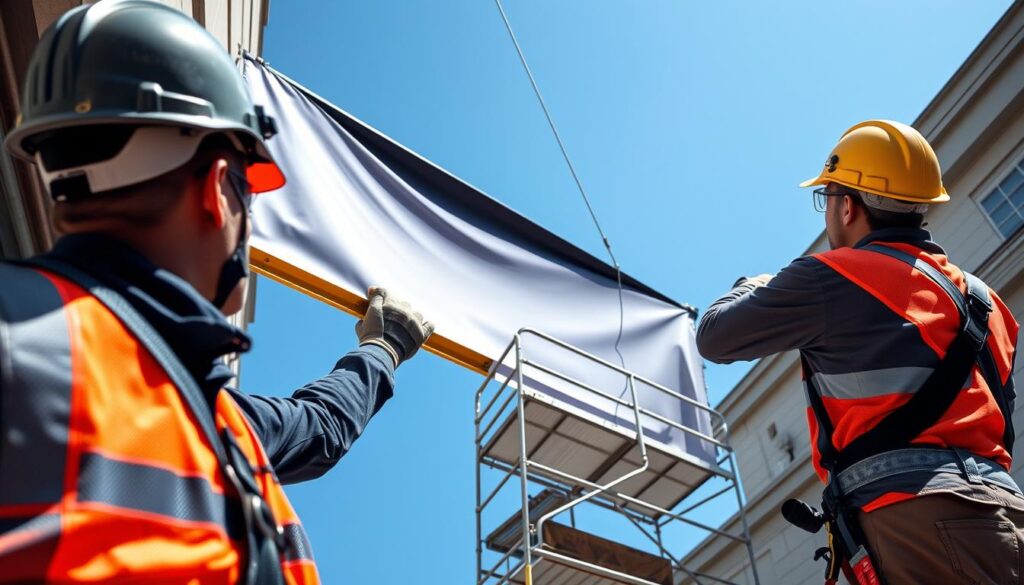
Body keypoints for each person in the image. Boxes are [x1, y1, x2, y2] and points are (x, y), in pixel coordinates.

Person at [0, 1, 433, 583]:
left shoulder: (209, 414)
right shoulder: (214, 423)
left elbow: (319, 425)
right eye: (248, 195)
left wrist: (379, 351)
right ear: (217, 188)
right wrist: (384, 346)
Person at [697, 119, 1022, 584]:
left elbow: (714, 337)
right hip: (1006, 510)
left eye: (826, 198)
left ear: (847, 206)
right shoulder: (988, 303)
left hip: (911, 516)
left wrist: (751, 286)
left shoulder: (830, 276)